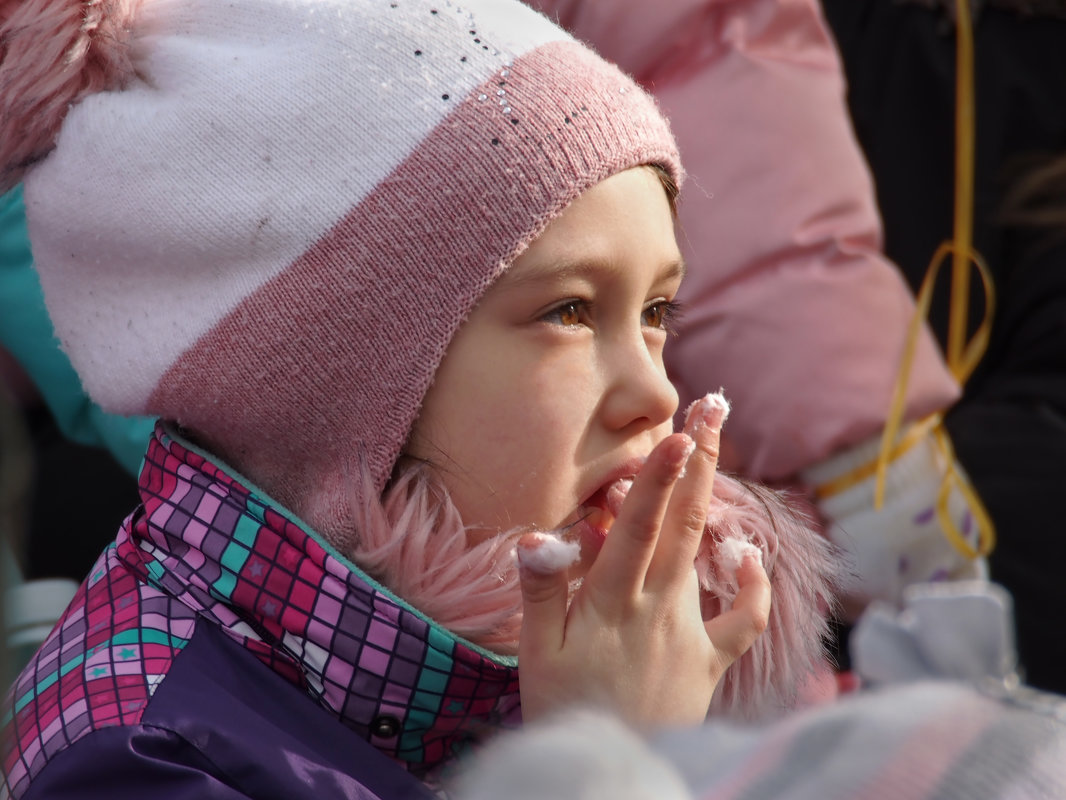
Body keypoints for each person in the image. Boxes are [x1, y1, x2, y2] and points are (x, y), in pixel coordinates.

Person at [0, 0, 840, 797]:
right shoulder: (143, 757)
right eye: (571, 311)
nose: (654, 390)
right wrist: (612, 759)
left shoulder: (645, 636)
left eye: (657, 312)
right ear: (343, 381)